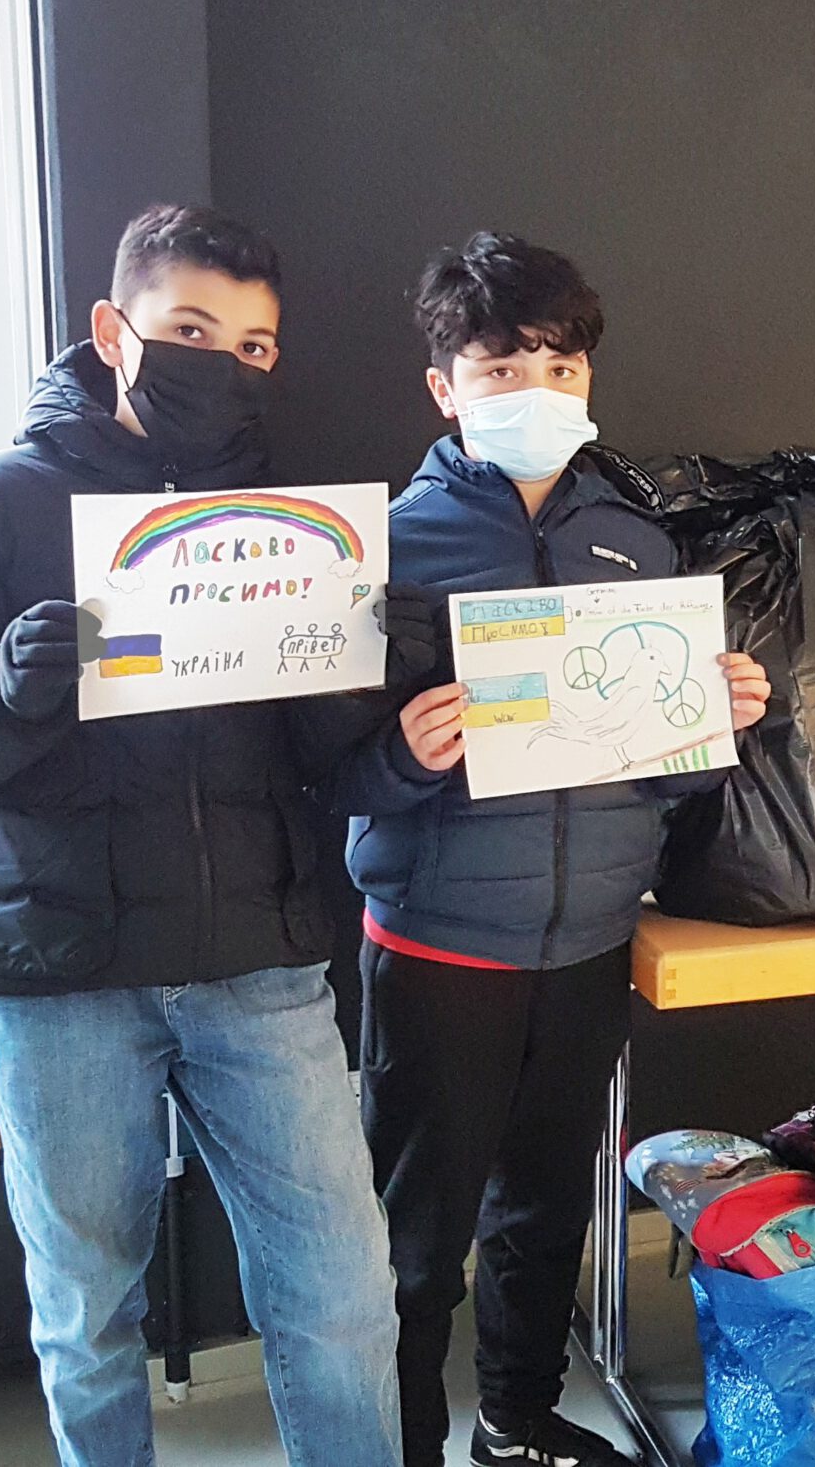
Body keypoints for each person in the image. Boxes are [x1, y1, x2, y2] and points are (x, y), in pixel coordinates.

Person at [0, 205, 407, 1465]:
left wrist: (366, 667)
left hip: (259, 964)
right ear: (113, 329)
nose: (225, 364)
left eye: (253, 347)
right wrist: (4, 685)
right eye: (191, 330)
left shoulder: (287, 527)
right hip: (62, 975)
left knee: (340, 1294)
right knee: (87, 1308)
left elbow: (322, 752)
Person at [331, 232, 771, 1467]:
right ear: (445, 387)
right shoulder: (386, 549)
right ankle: (403, 1442)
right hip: (439, 946)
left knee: (544, 1210)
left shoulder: (635, 539)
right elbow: (322, 773)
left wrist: (717, 720)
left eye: (561, 366)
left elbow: (664, 772)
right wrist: (402, 756)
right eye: (502, 367)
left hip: (588, 940)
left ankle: (517, 1424)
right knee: (417, 1236)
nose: (538, 390)